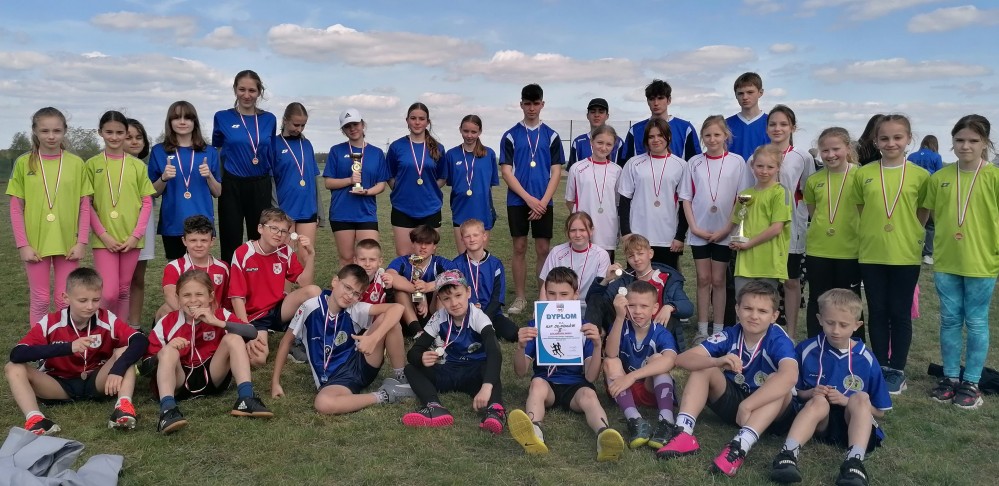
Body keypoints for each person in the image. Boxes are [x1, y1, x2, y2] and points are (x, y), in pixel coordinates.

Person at [656, 281, 797, 478]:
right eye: (748, 308)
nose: (754, 316)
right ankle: (683, 433)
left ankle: (739, 446)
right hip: (737, 405)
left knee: (778, 380)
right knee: (704, 367)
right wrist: (717, 361)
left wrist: (748, 405)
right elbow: (682, 359)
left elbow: (790, 376)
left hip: (770, 412)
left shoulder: (778, 338)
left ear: (774, 316)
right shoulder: (731, 334)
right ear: (737, 309)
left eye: (762, 311)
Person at [770, 289, 891, 486]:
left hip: (852, 425)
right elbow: (794, 393)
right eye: (830, 322)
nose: (835, 330)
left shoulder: (867, 358)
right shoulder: (806, 349)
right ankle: (787, 455)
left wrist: (846, 400)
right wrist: (810, 393)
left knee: (860, 397)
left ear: (857, 325)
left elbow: (880, 412)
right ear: (819, 319)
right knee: (818, 400)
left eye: (843, 325)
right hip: (819, 423)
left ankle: (854, 463)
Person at [5, 268, 148, 435]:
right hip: (59, 384)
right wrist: (68, 347)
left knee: (125, 350)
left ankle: (123, 407)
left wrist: (118, 369)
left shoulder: (106, 318)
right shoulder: (50, 322)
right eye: (83, 300)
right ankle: (35, 419)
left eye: (96, 300)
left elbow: (140, 340)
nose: (90, 306)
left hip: (97, 381)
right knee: (12, 367)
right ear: (66, 297)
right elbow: (17, 353)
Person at [507, 267, 625, 461]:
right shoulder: (536, 325)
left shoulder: (585, 327)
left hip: (576, 387)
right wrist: (520, 347)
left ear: (575, 295)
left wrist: (597, 346)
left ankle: (604, 435)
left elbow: (590, 377)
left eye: (564, 294)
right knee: (536, 384)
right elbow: (520, 372)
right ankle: (534, 431)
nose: (556, 300)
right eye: (551, 294)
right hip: (547, 385)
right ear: (545, 293)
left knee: (589, 395)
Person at [849, 114, 930, 395]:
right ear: (875, 140)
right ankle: (881, 364)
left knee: (900, 312)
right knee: (878, 311)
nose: (891, 143)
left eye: (897, 137)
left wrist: (908, 232)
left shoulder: (921, 176)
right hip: (872, 253)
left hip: (904, 254)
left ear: (909, 139)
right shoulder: (864, 174)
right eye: (884, 138)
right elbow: (862, 208)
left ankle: (897, 369)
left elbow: (922, 213)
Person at [922, 115, 999, 409]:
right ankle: (951, 377)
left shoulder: (994, 177)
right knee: (950, 320)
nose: (965, 146)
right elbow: (930, 215)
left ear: (985, 143)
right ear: (952, 141)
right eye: (960, 140)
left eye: (973, 141)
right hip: (947, 261)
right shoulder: (939, 178)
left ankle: (972, 382)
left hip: (982, 261)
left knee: (976, 321)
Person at [271, 264, 414, 414]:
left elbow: (398, 308)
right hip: (336, 380)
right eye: (347, 287)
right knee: (323, 403)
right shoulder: (309, 307)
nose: (350, 296)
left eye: (356, 294)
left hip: (362, 363)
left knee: (391, 321)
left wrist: (373, 338)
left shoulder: (355, 309)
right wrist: (275, 382)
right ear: (335, 282)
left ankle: (401, 378)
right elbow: (286, 342)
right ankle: (384, 395)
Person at [148, 269, 271, 434]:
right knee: (168, 352)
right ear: (177, 299)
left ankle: (246, 398)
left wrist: (218, 323)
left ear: (210, 296)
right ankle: (168, 410)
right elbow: (145, 367)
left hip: (214, 375)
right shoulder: (166, 323)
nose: (193, 300)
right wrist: (165, 351)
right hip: (179, 382)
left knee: (234, 338)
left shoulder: (220, 314)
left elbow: (252, 332)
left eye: (199, 294)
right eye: (186, 295)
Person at [7, 107, 92, 325]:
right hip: (35, 243)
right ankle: (39, 344)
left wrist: (82, 242)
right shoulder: (24, 163)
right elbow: (16, 208)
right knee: (40, 299)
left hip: (68, 243)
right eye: (45, 131)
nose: (51, 136)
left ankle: (64, 341)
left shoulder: (76, 163)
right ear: (35, 131)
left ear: (65, 131)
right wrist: (23, 245)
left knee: (65, 300)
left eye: (57, 130)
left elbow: (85, 206)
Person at [400, 270, 506, 434]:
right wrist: (421, 357)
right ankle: (433, 406)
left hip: (475, 373)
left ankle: (495, 410)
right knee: (410, 368)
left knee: (490, 368)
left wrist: (486, 387)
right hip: (450, 370)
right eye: (447, 299)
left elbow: (494, 352)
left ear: (468, 293)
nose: (454, 303)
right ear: (440, 300)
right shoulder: (439, 317)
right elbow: (413, 352)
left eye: (458, 295)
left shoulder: (479, 317)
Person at [747, 105, 815, 339]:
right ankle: (761, 332)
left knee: (791, 281)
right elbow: (748, 195)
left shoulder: (803, 157)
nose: (778, 128)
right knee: (764, 281)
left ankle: (791, 334)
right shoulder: (755, 156)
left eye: (783, 124)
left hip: (792, 229)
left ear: (793, 128)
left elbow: (808, 193)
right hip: (762, 230)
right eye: (773, 124)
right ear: (766, 128)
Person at [500, 83, 566, 314]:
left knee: (543, 249)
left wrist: (543, 202)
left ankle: (542, 296)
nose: (531, 108)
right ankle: (520, 298)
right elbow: (506, 172)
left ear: (542, 104)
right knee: (519, 247)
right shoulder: (510, 135)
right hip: (518, 201)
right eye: (527, 103)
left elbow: (556, 171)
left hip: (543, 201)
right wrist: (529, 199)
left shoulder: (552, 136)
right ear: (521, 104)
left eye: (535, 103)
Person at [682, 115, 748, 342]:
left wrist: (727, 229)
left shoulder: (737, 162)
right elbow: (686, 198)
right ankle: (702, 330)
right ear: (702, 137)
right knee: (703, 279)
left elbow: (742, 199)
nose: (712, 139)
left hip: (724, 231)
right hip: (699, 231)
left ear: (726, 136)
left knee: (719, 280)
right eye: (707, 135)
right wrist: (694, 228)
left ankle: (718, 331)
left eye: (717, 134)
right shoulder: (694, 163)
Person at [228, 208, 321, 367]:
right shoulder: (243, 253)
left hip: (278, 309)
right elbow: (237, 298)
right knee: (258, 360)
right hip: (255, 316)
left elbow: (305, 283)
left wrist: (311, 256)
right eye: (274, 228)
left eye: (284, 231)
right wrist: (246, 330)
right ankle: (243, 339)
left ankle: (297, 340)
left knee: (314, 291)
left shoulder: (285, 251)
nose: (279, 234)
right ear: (260, 228)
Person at [87, 110, 155, 318]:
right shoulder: (92, 165)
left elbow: (147, 202)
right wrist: (104, 235)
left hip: (131, 239)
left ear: (126, 133)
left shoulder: (137, 166)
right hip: (104, 240)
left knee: (124, 290)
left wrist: (136, 236)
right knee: (109, 293)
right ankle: (103, 330)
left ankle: (121, 333)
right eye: (109, 132)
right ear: (100, 132)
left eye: (119, 132)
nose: (114, 137)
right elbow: (86, 204)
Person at [803, 128, 864, 339]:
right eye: (825, 151)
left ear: (848, 148)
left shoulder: (861, 176)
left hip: (850, 250)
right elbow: (814, 212)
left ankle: (853, 348)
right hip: (818, 250)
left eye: (836, 149)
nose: (830, 155)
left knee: (850, 303)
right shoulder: (814, 180)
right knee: (818, 301)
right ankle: (815, 346)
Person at [604, 280, 679, 451]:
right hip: (623, 390)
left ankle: (667, 421)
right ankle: (635, 420)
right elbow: (611, 353)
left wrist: (632, 376)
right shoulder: (621, 326)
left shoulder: (661, 332)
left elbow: (670, 360)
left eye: (644, 306)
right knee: (610, 362)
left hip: (651, 389)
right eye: (631, 305)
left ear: (655, 308)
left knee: (659, 359)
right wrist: (619, 317)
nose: (637, 311)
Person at [585, 234, 693, 349]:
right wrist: (606, 280)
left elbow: (688, 308)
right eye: (631, 256)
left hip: (659, 332)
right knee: (596, 299)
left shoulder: (667, 279)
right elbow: (593, 301)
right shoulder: (625, 280)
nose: (636, 259)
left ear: (650, 253)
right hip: (629, 332)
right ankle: (590, 350)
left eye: (640, 253)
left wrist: (670, 307)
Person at [213, 70, 277, 262]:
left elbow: (271, 150)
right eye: (242, 89)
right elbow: (218, 149)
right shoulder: (222, 117)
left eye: (252, 90)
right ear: (235, 90)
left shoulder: (269, 119)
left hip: (260, 184)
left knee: (260, 238)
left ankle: (258, 279)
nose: (247, 95)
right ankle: (230, 277)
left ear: (259, 92)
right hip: (231, 185)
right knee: (230, 237)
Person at [149, 101, 222, 260]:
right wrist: (163, 178)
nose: (182, 122)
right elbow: (153, 192)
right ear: (170, 122)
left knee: (199, 270)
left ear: (194, 122)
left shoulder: (209, 151)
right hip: (173, 222)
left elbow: (217, 192)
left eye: (187, 118)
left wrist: (209, 176)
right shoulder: (158, 151)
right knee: (177, 270)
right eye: (177, 118)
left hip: (202, 223)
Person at [618, 117, 689, 270]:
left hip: (668, 238)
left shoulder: (681, 165)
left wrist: (679, 236)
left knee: (667, 281)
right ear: (646, 140)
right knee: (637, 281)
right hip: (638, 235)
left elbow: (684, 204)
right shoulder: (633, 163)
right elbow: (624, 200)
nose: (656, 140)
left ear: (668, 136)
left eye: (660, 135)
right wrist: (626, 232)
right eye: (651, 136)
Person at [724, 144, 792, 296]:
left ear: (778, 168)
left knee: (764, 305)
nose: (764, 171)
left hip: (769, 262)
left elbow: (776, 228)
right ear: (752, 165)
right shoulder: (745, 194)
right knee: (742, 303)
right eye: (760, 166)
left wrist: (748, 244)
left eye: (770, 167)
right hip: (745, 262)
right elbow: (736, 223)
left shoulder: (781, 192)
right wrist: (735, 240)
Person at [325, 108, 389, 267]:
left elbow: (381, 184)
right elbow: (328, 183)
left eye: (355, 124)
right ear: (343, 130)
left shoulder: (376, 153)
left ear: (362, 124)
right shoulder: (336, 151)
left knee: (370, 259)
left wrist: (367, 192)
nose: (352, 129)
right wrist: (350, 180)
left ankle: (371, 286)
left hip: (366, 213)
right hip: (341, 213)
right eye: (347, 126)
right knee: (347, 259)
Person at [387, 102, 446, 256]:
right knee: (404, 256)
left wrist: (428, 190)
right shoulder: (396, 147)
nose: (417, 122)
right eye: (413, 118)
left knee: (426, 256)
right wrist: (402, 189)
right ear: (407, 120)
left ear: (428, 122)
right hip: (402, 207)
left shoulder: (438, 148)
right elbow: (390, 175)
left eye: (421, 118)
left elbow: (442, 178)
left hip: (430, 208)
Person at [452, 219, 519, 342]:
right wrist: (469, 307)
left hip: (491, 314)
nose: (472, 239)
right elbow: (454, 293)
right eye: (467, 236)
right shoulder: (456, 264)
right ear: (462, 239)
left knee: (513, 333)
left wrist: (484, 317)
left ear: (484, 236)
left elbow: (497, 297)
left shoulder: (495, 264)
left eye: (475, 235)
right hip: (465, 314)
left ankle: (487, 330)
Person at [384, 225, 455, 336]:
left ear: (434, 246)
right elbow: (389, 275)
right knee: (400, 291)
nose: (423, 247)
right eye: (419, 242)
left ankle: (440, 331)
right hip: (408, 314)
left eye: (428, 243)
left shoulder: (439, 262)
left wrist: (428, 286)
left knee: (443, 287)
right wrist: (419, 293)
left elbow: (457, 276)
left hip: (432, 311)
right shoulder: (403, 261)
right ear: (413, 244)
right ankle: (417, 332)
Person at [267, 102, 320, 251]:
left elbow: (313, 179)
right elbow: (270, 181)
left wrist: (318, 211)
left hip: (307, 210)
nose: (299, 129)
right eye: (296, 125)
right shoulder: (273, 144)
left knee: (306, 255)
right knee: (284, 256)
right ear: (285, 120)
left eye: (303, 125)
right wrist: (276, 212)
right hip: (284, 211)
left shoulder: (307, 144)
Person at [565, 125, 623, 261]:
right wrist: (579, 221)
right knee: (582, 263)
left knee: (605, 265)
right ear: (591, 142)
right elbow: (570, 200)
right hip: (583, 227)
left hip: (607, 227)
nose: (603, 148)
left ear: (613, 146)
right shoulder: (577, 168)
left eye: (608, 144)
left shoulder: (617, 170)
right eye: (600, 142)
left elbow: (618, 202)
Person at [444, 115, 499, 253]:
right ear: (460, 130)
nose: (469, 135)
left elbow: (489, 185)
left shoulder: (489, 154)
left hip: (482, 212)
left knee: (479, 258)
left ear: (480, 132)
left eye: (473, 132)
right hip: (460, 211)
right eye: (466, 131)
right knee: (463, 257)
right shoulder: (451, 154)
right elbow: (450, 181)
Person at [156, 215, 229, 321]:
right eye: (193, 240)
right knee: (165, 309)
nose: (198, 245)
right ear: (184, 241)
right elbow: (169, 295)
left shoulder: (223, 268)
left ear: (212, 241)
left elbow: (227, 301)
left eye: (204, 240)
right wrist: (194, 316)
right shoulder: (175, 267)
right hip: (186, 317)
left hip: (212, 319)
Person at [538, 212, 610, 304]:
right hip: (562, 304)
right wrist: (542, 308)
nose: (577, 235)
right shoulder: (556, 252)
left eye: (582, 230)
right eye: (573, 230)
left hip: (590, 304)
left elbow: (601, 286)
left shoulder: (601, 255)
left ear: (591, 230)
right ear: (567, 232)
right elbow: (546, 284)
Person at [623, 79, 701, 162]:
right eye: (652, 99)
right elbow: (625, 162)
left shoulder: (685, 128)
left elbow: (695, 162)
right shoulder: (635, 130)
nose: (656, 103)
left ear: (669, 100)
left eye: (660, 98)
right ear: (647, 101)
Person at [125, 118, 154, 327]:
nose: (134, 141)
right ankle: (115, 326)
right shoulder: (105, 166)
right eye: (129, 137)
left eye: (139, 137)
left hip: (143, 227)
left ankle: (134, 326)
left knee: (137, 278)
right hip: (117, 228)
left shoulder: (145, 167)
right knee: (117, 284)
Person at [908, 135, 944, 264]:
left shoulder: (912, 156)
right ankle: (928, 254)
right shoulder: (936, 157)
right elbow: (939, 176)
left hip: (912, 193)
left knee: (911, 222)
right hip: (930, 192)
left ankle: (911, 248)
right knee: (930, 225)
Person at [567, 98, 625, 169]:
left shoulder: (618, 142)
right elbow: (572, 170)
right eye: (593, 112)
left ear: (607, 116)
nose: (596, 115)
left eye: (601, 112)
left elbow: (623, 171)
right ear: (587, 116)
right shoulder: (579, 142)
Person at [726, 72, 770, 161]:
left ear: (760, 92)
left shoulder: (772, 123)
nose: (745, 97)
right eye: (740, 93)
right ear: (736, 95)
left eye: (750, 92)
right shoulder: (725, 124)